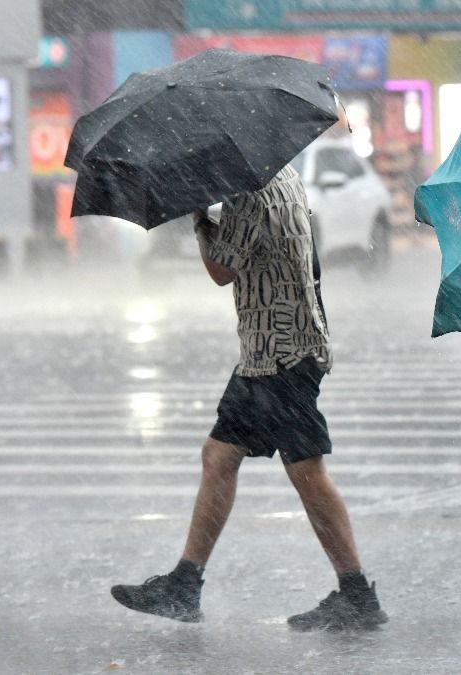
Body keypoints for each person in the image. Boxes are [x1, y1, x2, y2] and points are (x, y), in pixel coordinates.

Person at [110, 163, 386, 631]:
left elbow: (221, 269)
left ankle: (356, 593)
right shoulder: (284, 175)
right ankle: (184, 585)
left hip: (281, 355)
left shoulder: (249, 193)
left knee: (307, 471)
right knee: (219, 457)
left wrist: (197, 214)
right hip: (272, 351)